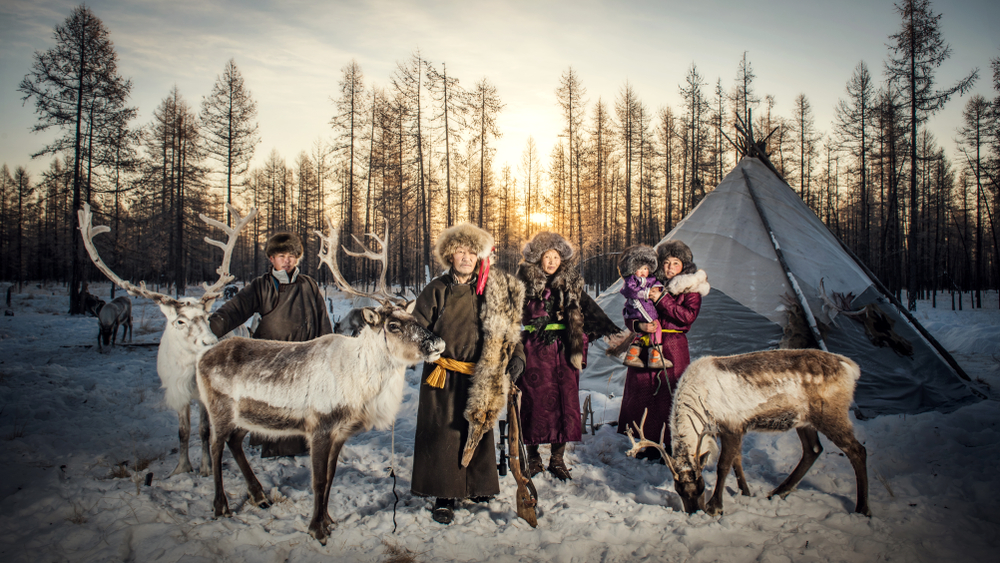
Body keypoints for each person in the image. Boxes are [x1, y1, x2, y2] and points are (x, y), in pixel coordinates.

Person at [410, 222, 526, 525]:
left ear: (479, 256)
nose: (465, 257)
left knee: (478, 429)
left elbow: (510, 331)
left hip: (480, 375)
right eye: (460, 252)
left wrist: (517, 358)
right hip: (443, 376)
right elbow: (414, 329)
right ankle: (444, 495)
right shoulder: (436, 289)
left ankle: (478, 486)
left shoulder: (493, 290)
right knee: (444, 434)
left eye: (471, 252)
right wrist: (427, 346)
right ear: (450, 256)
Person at [208, 231, 333, 457]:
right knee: (275, 409)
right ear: (272, 259)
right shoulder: (261, 286)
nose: (287, 260)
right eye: (282, 255)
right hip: (272, 363)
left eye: (292, 256)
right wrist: (210, 327)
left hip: (305, 361)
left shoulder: (309, 285)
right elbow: (236, 309)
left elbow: (323, 322)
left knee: (304, 408)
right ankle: (274, 448)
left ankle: (303, 445)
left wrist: (329, 354)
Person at [516, 232, 620, 481]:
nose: (551, 261)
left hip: (563, 351)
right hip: (534, 351)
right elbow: (507, 313)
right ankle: (532, 457)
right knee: (533, 402)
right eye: (546, 256)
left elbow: (592, 312)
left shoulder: (571, 284)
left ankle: (557, 459)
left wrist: (606, 335)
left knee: (564, 403)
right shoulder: (523, 284)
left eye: (556, 257)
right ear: (538, 259)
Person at [617, 240, 709, 460]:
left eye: (675, 263)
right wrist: (639, 326)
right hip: (647, 343)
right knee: (642, 393)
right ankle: (642, 442)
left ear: (683, 266)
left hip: (673, 347)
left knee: (669, 396)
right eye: (666, 262)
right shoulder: (648, 283)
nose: (669, 268)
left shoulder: (691, 289)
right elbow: (630, 311)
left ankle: (669, 444)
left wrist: (662, 299)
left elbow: (687, 317)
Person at [618, 245, 667, 369]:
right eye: (639, 268)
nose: (643, 271)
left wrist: (658, 289)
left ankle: (631, 356)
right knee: (655, 325)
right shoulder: (632, 280)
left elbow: (656, 283)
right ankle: (655, 356)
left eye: (645, 268)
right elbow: (629, 291)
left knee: (643, 333)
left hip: (646, 306)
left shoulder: (650, 278)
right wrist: (646, 293)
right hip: (639, 307)